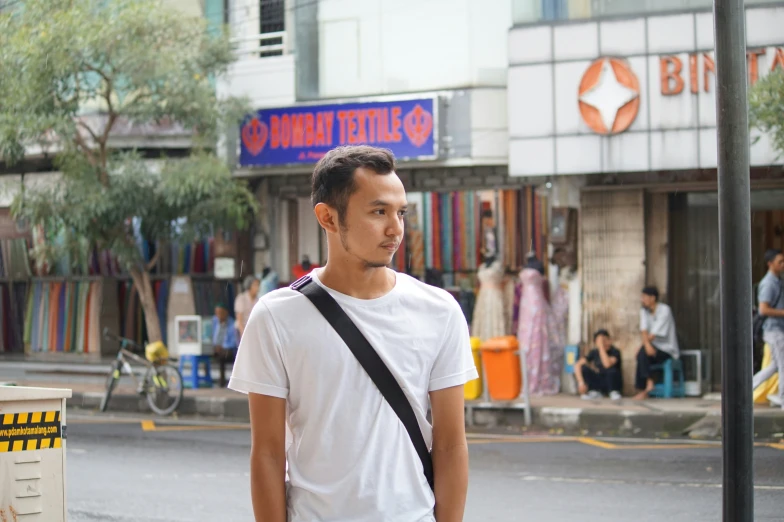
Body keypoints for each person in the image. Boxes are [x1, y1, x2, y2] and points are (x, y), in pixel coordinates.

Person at [229, 145, 477, 522]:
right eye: (379, 212)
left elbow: (450, 445)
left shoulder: (439, 311)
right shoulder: (276, 317)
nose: (396, 228)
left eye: (401, 213)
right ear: (328, 217)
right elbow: (266, 452)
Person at [634, 286, 679, 400]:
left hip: (667, 349)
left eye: (644, 297)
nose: (642, 300)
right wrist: (646, 345)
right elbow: (643, 330)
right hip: (652, 347)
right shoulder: (644, 311)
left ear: (653, 298)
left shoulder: (665, 310)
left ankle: (646, 387)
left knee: (642, 353)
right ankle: (648, 384)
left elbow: (653, 334)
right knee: (641, 354)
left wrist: (645, 345)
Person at [752, 249, 784, 408]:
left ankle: (747, 388)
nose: (783, 265)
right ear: (770, 264)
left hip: (777, 329)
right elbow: (763, 309)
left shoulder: (778, 280)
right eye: (780, 262)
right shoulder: (769, 283)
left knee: (775, 366)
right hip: (774, 330)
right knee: (782, 364)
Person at [574, 329, 622, 401]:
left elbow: (607, 364)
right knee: (584, 368)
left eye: (605, 340)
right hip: (601, 380)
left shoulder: (615, 351)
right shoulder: (594, 352)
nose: (603, 343)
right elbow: (577, 365)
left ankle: (613, 392)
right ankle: (595, 391)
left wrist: (601, 347)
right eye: (600, 341)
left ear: (609, 340)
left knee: (611, 370)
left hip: (612, 382)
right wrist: (581, 383)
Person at [212, 302, 239, 388]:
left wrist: (223, 347)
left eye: (220, 313)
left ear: (226, 313)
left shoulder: (232, 324)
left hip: (228, 350)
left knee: (222, 355)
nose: (218, 315)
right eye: (216, 313)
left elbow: (233, 341)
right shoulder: (214, 321)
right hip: (216, 348)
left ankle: (222, 382)